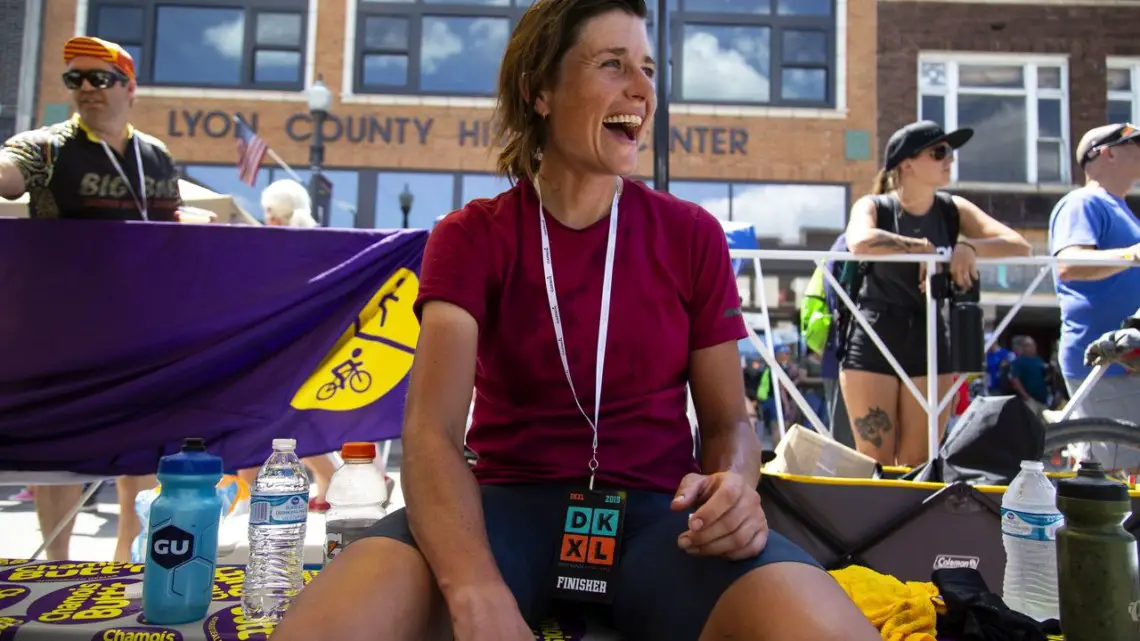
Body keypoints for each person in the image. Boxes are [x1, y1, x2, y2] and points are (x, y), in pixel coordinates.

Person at [272, 1, 879, 639]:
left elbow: (729, 421)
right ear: (540, 92)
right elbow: (431, 432)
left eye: (646, 68)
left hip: (663, 517)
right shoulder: (471, 235)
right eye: (612, 64)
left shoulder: (692, 235)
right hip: (497, 515)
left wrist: (734, 485)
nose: (642, 89)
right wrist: (476, 592)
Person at [0, 36, 185, 562]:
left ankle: (127, 555)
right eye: (73, 79)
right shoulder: (48, 145)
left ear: (130, 88)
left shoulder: (155, 155)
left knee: (142, 448)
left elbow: (168, 226)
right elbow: (6, 175)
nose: (85, 89)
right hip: (61, 334)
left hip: (139, 329)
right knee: (57, 451)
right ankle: (55, 563)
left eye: (98, 78)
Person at [840, 120, 1031, 467]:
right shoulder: (875, 205)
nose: (949, 160)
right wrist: (924, 248)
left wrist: (967, 246)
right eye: (939, 152)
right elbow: (860, 242)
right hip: (874, 334)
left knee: (920, 462)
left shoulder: (952, 208)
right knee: (873, 462)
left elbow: (1020, 246)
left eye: (950, 152)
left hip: (931, 337)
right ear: (907, 163)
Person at [234, 178, 339, 511]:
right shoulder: (314, 245)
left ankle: (250, 501)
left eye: (268, 212)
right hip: (303, 351)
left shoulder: (275, 247)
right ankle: (330, 481)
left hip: (276, 354)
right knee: (285, 424)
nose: (266, 218)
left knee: (264, 427)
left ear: (277, 214)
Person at [1048, 123, 1140, 471]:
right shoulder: (1083, 201)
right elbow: (1069, 264)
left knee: (1117, 470)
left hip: (1124, 358)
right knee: (1107, 469)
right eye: (1136, 143)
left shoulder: (1119, 208)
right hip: (1105, 359)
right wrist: (1132, 254)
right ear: (1108, 153)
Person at [1008, 336, 1049, 416]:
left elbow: (1045, 376)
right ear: (1024, 347)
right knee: (1030, 423)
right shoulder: (1018, 361)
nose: (1034, 347)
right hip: (1030, 400)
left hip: (1043, 400)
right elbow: (1015, 379)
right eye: (1030, 345)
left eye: (1034, 345)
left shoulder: (1038, 359)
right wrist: (1025, 396)